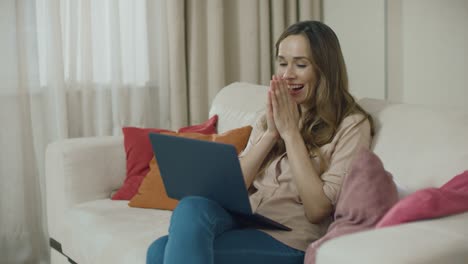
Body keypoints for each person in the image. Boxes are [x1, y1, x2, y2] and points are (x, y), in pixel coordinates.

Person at [146, 20, 373, 264]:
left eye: (301, 64)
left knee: (160, 253)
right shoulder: (272, 114)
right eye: (283, 63)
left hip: (289, 238)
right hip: (248, 219)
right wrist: (271, 134)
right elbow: (235, 186)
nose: (287, 74)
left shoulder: (352, 125)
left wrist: (291, 134)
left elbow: (317, 210)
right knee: (191, 207)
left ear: (325, 69)